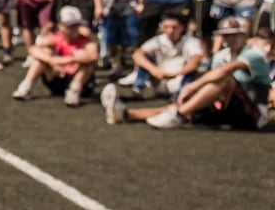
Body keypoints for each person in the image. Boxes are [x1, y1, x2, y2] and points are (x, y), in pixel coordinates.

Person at [102, 17, 270, 129]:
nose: (230, 39)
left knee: (224, 79)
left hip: (254, 113)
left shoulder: (254, 54)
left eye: (235, 35)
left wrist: (192, 86)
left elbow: (225, 72)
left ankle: (178, 115)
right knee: (189, 103)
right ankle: (127, 114)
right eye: (226, 35)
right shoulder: (221, 56)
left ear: (244, 35)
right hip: (229, 108)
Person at [11, 6, 97, 106]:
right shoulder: (56, 39)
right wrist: (51, 61)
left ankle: (74, 92)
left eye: (76, 25)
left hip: (80, 84)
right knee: (44, 54)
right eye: (70, 26)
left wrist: (65, 60)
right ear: (61, 26)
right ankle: (25, 87)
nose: (74, 29)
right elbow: (33, 49)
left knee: (86, 62)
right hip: (57, 78)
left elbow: (93, 56)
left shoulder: (86, 42)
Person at [119, 11, 206, 97]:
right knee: (145, 58)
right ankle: (137, 89)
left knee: (192, 69)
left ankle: (181, 95)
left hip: (180, 79)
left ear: (181, 28)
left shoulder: (190, 41)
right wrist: (154, 69)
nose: (170, 31)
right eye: (166, 27)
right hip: (159, 78)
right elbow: (137, 55)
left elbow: (196, 61)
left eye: (174, 27)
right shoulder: (158, 40)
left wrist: (174, 74)